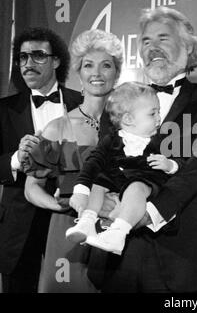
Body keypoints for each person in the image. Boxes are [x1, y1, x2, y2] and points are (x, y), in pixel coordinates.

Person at [89, 6, 197, 293]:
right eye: (146, 41)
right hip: (119, 263)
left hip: (181, 258)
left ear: (188, 46)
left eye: (163, 39)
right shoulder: (120, 100)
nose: (153, 47)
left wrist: (149, 213)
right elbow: (107, 162)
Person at [23, 29, 122, 292]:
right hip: (69, 233)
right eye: (88, 65)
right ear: (78, 72)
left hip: (116, 231)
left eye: (106, 65)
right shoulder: (58, 127)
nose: (97, 73)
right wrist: (60, 206)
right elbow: (31, 188)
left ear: (117, 73)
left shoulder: (130, 125)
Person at [0, 27, 82, 293]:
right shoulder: (4, 109)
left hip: (70, 219)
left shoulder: (82, 103)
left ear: (56, 61)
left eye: (37, 56)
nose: (28, 64)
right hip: (18, 230)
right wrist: (16, 159)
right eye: (22, 58)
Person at [67, 82, 185, 256]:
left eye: (159, 112)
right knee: (99, 182)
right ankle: (87, 221)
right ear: (128, 119)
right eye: (153, 113)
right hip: (119, 181)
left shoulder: (160, 141)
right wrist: (80, 189)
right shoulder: (112, 139)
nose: (159, 118)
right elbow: (93, 161)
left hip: (147, 182)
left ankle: (118, 233)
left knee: (135, 187)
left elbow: (181, 162)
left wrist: (170, 165)